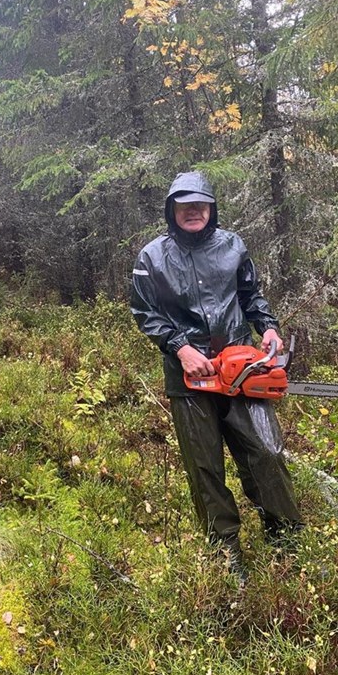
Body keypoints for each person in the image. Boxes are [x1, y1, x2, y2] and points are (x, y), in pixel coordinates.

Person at [131, 170, 302, 580]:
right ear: (172, 209)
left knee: (267, 451)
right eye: (184, 204)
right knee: (206, 468)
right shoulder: (151, 257)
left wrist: (270, 327)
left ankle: (288, 540)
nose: (193, 211)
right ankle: (227, 554)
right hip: (188, 377)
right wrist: (181, 347)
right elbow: (145, 313)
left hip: (242, 367)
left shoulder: (233, 246)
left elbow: (251, 295)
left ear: (211, 208)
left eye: (200, 204)